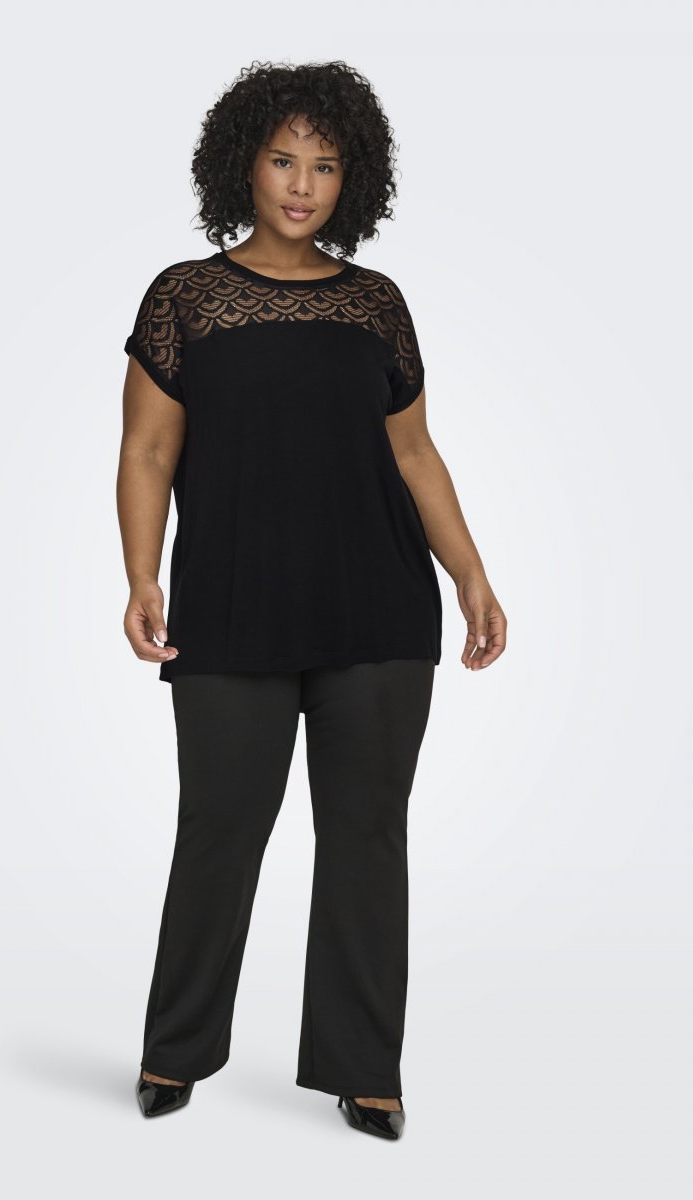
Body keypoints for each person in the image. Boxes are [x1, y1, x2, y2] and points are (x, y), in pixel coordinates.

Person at [117, 60, 507, 1141]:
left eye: (325, 165)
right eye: (284, 160)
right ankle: (174, 1050)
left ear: (353, 178)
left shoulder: (375, 305)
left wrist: (471, 574)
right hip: (230, 608)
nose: (302, 185)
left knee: (367, 840)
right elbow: (147, 450)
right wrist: (142, 574)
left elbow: (415, 454)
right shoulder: (184, 298)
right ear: (243, 164)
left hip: (378, 611)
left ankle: (365, 1068)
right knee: (219, 831)